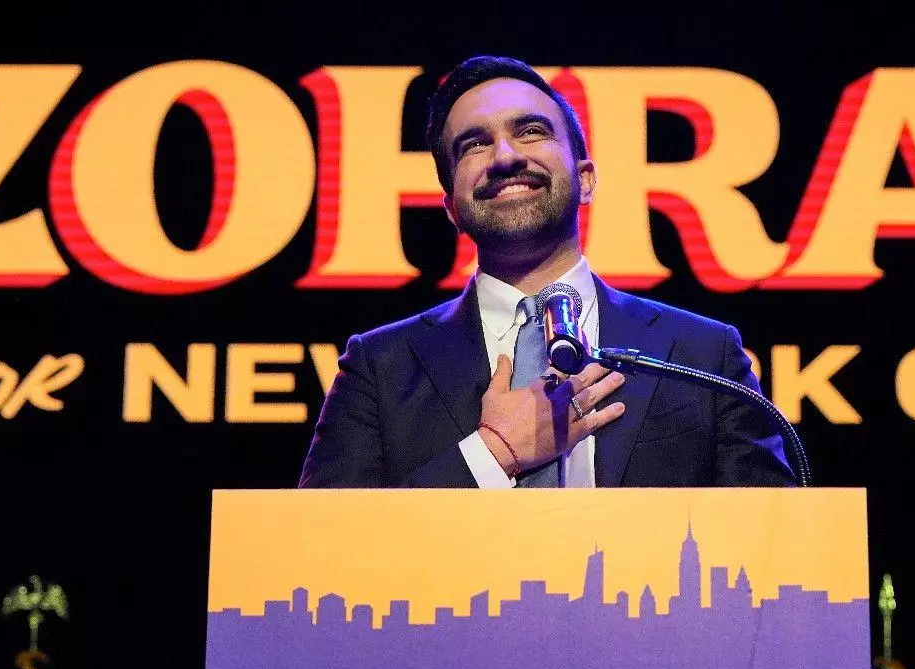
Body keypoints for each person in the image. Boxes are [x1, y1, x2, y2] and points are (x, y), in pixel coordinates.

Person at [297, 56, 796, 489]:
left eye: (531, 131)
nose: (505, 157)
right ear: (452, 208)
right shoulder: (379, 368)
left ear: (585, 179)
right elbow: (322, 544)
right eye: (474, 144)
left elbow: (770, 542)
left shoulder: (704, 354)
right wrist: (493, 454)